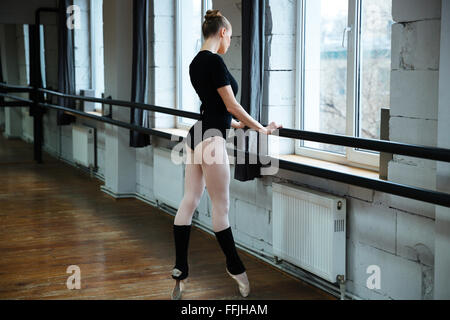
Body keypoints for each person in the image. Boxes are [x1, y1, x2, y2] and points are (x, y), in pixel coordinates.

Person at [171, 9, 282, 300]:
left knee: (189, 201)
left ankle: (181, 269)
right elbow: (231, 105)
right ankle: (235, 268)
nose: (230, 42)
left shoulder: (195, 61)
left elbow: (217, 109)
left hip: (197, 134)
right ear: (222, 32)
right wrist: (262, 129)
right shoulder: (216, 61)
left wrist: (240, 125)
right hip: (211, 140)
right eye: (230, 37)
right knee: (221, 209)